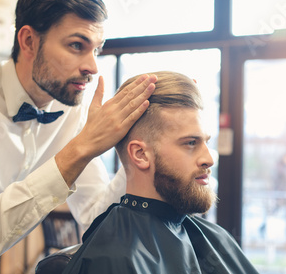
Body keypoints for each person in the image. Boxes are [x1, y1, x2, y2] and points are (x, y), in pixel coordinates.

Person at [0, 0, 156, 273]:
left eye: (96, 50)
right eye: (76, 45)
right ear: (29, 42)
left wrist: (137, 153)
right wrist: (82, 148)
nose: (92, 67)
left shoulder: (75, 110)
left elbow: (93, 215)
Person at [57, 71, 259, 274]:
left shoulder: (216, 237)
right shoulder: (113, 259)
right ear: (141, 155)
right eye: (190, 143)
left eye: (206, 142)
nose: (209, 158)